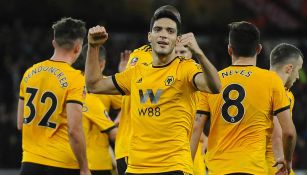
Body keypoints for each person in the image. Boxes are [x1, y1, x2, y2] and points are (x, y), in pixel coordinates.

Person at [85, 5, 221, 175]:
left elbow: (215, 86)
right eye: (158, 29)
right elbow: (94, 85)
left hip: (173, 167)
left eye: (170, 31)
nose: (163, 34)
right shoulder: (136, 72)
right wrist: (93, 47)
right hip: (136, 167)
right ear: (150, 36)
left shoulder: (186, 69)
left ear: (178, 40)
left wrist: (199, 53)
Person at [195, 21, 296, 174]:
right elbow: (288, 132)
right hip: (253, 169)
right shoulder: (271, 80)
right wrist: (287, 160)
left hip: (218, 169)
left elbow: (196, 128)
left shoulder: (213, 81)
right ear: (259, 49)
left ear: (229, 49)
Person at [17, 17, 91, 175]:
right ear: (78, 48)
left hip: (29, 163)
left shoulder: (29, 73)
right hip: (62, 164)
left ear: (54, 43)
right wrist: (84, 168)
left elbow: (20, 123)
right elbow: (75, 130)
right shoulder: (75, 78)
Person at [73, 45, 118, 175]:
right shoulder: (104, 88)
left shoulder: (69, 82)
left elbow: (128, 104)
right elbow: (133, 103)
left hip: (67, 159)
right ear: (102, 64)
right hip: (97, 162)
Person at [266, 43, 303, 175]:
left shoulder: (257, 84)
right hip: (273, 165)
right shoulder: (278, 91)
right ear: (289, 68)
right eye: (298, 70)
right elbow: (278, 133)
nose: (298, 76)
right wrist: (282, 161)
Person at [175, 44, 207, 175]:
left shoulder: (197, 77)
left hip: (190, 148)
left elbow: (197, 119)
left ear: (191, 54)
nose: (178, 55)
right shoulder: (162, 76)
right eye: (175, 51)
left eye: (183, 51)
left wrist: (205, 138)